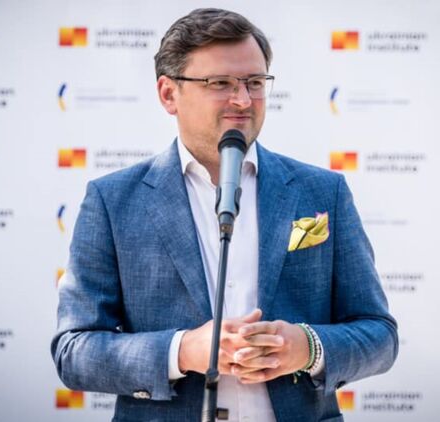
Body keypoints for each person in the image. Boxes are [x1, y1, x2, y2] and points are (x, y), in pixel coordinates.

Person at [51, 8, 398, 422]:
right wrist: (183, 351)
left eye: (255, 83)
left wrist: (308, 348)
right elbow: (74, 351)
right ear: (168, 94)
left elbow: (379, 335)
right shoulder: (113, 201)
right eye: (220, 83)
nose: (243, 100)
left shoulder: (323, 192)